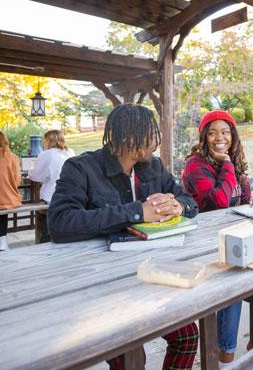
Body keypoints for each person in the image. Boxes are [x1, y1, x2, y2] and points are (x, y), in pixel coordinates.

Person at [48, 104, 199, 370]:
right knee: (132, 358)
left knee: (187, 336)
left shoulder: (152, 167)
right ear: (132, 137)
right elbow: (60, 223)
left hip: (150, 274)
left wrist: (178, 205)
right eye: (152, 134)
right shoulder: (81, 168)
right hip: (104, 285)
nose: (156, 141)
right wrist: (136, 212)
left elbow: (188, 200)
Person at [181, 110, 253, 369]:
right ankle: (225, 360)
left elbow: (240, 198)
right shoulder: (195, 164)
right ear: (204, 137)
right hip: (205, 245)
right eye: (212, 133)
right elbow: (220, 202)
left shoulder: (235, 162)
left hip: (235, 236)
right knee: (231, 289)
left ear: (233, 136)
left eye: (225, 132)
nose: (219, 138)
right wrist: (225, 163)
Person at [28, 130, 75, 242]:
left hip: (51, 197)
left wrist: (29, 173)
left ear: (48, 140)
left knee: (44, 213)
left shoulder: (46, 154)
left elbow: (36, 176)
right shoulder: (70, 152)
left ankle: (45, 239)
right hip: (70, 195)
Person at [0, 131, 22, 251]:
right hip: (8, 199)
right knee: (4, 202)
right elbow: (17, 180)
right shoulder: (12, 157)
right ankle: (2, 242)